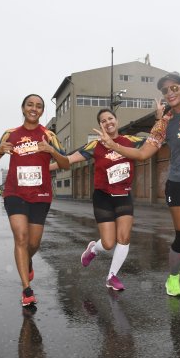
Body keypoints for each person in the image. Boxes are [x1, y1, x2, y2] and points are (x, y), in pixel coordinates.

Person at [95, 42, 180, 299]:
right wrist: (113, 144)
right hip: (179, 184)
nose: (170, 92)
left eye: (174, 88)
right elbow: (142, 153)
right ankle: (172, 277)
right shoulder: (163, 124)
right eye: (165, 90)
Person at [50, 108, 146, 291]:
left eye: (110, 118)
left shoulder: (130, 141)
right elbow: (69, 160)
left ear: (116, 120)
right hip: (103, 197)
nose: (108, 122)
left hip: (124, 194)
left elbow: (155, 143)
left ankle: (112, 276)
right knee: (109, 243)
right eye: (103, 121)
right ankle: (94, 249)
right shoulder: (95, 146)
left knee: (124, 237)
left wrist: (160, 121)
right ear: (100, 125)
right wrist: (43, 169)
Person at [0, 94, 69, 306]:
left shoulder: (49, 134)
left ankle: (28, 259)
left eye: (39, 106)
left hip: (40, 195)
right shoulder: (10, 133)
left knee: (33, 243)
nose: (34, 108)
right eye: (30, 105)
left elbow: (66, 163)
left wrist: (51, 150)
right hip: (15, 193)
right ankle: (26, 289)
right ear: (23, 108)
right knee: (21, 238)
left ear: (42, 111)